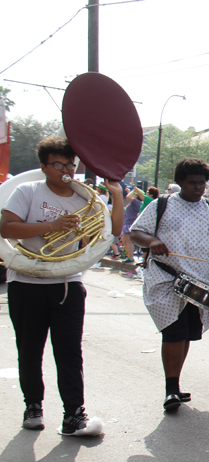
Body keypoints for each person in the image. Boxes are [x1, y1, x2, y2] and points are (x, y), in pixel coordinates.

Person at [0, 136, 124, 435]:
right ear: (43, 167)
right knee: (30, 349)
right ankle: (33, 405)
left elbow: (113, 231)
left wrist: (117, 196)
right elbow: (6, 228)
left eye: (70, 165)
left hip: (68, 283)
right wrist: (51, 227)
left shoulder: (85, 199)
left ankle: (74, 414)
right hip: (26, 282)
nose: (66, 171)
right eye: (58, 165)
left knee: (69, 351)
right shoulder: (27, 191)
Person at [129, 158, 209, 413]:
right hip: (166, 279)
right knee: (173, 332)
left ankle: (175, 384)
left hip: (200, 283)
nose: (198, 188)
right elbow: (136, 232)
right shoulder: (161, 205)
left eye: (202, 183)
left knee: (186, 333)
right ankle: (170, 389)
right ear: (179, 182)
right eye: (192, 183)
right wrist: (152, 241)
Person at [120, 186, 144, 263]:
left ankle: (130, 257)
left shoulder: (137, 202)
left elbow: (128, 197)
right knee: (125, 241)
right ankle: (128, 256)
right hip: (127, 223)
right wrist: (129, 191)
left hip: (130, 223)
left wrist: (134, 189)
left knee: (128, 241)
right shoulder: (136, 202)